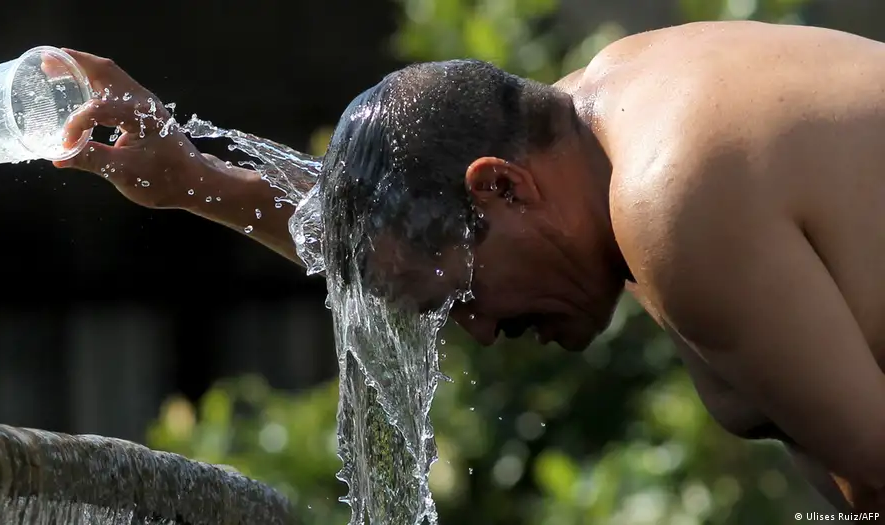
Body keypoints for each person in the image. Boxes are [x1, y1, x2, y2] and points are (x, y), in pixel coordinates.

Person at [51, 20, 885, 515]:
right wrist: (197, 179)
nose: (481, 332)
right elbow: (400, 228)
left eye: (463, 298)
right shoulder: (594, 119)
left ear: (502, 187)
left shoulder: (673, 202)